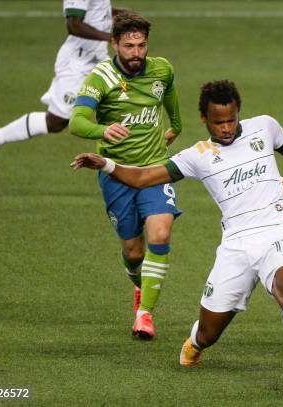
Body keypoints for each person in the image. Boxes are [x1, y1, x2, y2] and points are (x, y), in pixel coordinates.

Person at [71, 80, 283, 371]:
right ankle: (194, 345)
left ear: (239, 112)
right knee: (208, 333)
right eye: (218, 122)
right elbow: (141, 178)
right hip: (235, 247)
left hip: (276, 232)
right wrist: (106, 165)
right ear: (204, 118)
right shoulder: (197, 156)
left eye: (231, 120)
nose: (226, 128)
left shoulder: (264, 126)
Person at [68, 11, 182, 340]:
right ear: (115, 44)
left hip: (155, 168)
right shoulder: (99, 78)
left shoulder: (162, 69)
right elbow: (77, 122)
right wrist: (104, 129)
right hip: (116, 173)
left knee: (160, 233)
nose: (136, 53)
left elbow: (170, 93)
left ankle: (144, 315)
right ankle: (139, 285)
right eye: (129, 46)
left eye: (142, 45)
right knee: (134, 252)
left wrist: (176, 125)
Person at [0, 0, 121, 174]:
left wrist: (126, 16)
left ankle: (130, 165)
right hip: (76, 64)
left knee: (123, 99)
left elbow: (99, 10)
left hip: (97, 58)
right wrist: (111, 38)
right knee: (56, 122)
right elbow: (74, 25)